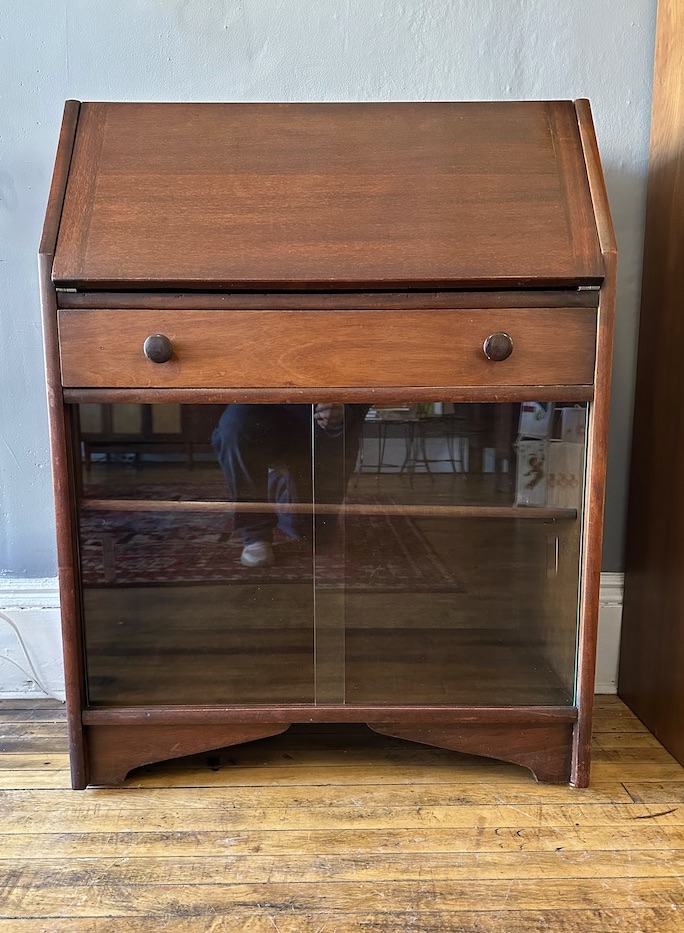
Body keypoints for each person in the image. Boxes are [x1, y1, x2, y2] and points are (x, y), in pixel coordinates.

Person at [211, 403, 369, 567]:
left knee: (314, 536)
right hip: (264, 411)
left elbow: (371, 383)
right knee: (233, 428)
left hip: (322, 426)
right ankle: (255, 533)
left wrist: (346, 411)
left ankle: (277, 484)